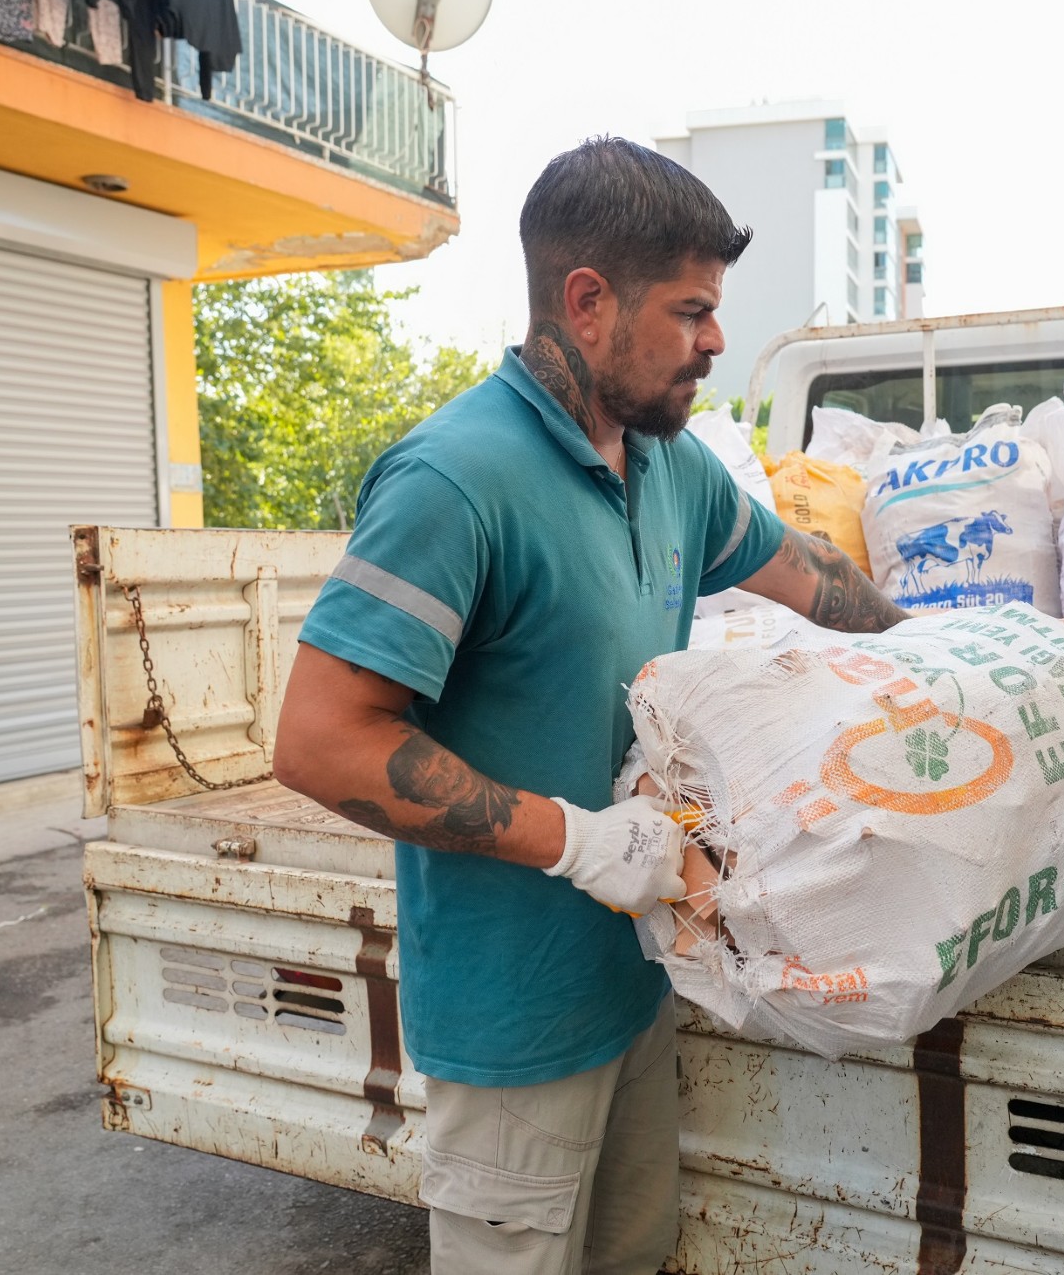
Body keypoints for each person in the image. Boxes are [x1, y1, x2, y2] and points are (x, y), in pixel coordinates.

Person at [273, 137, 908, 1275]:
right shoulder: (456, 479)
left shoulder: (669, 468)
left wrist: (955, 657)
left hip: (637, 984)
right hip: (514, 1030)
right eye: (691, 310)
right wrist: (573, 840)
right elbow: (322, 740)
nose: (716, 340)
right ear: (587, 301)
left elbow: (809, 576)